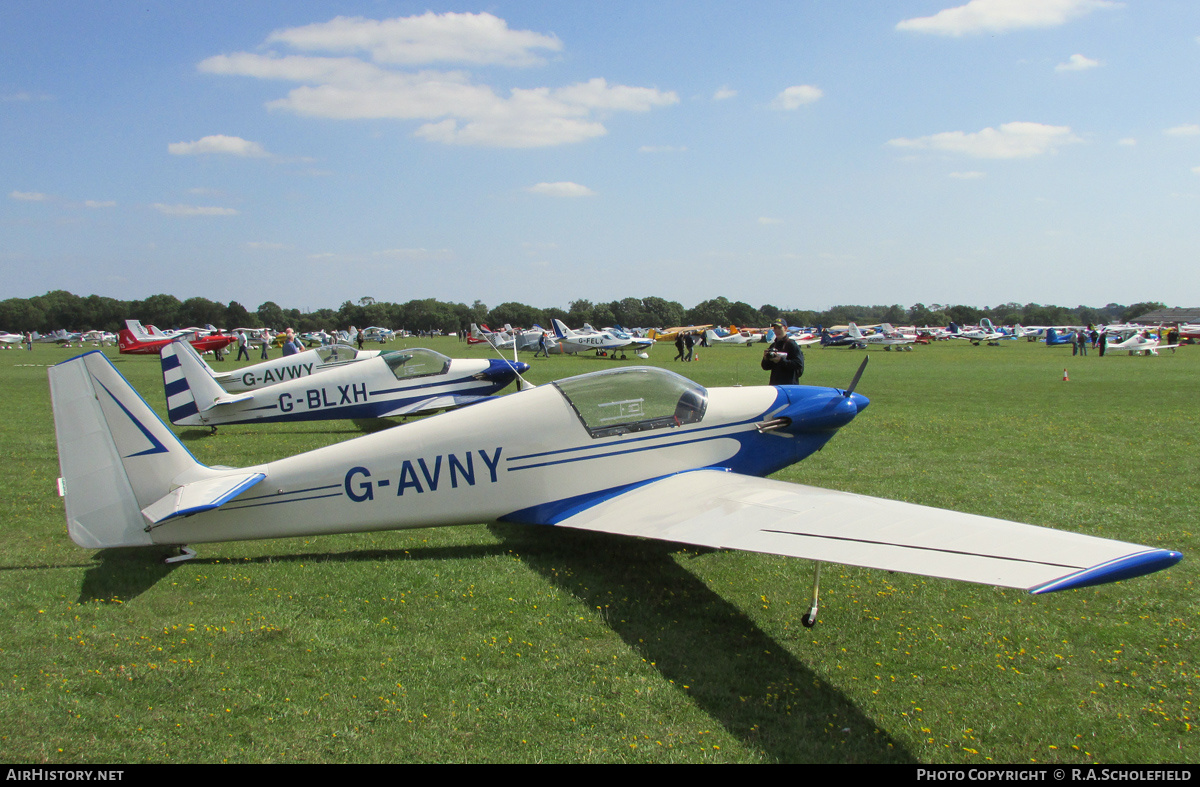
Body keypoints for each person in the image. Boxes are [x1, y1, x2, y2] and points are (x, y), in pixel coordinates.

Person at [761, 321, 804, 385]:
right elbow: (765, 367)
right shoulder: (773, 345)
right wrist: (765, 358)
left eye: (779, 328)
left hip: (789, 384)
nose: (777, 331)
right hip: (775, 384)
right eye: (775, 328)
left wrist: (781, 360)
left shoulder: (792, 345)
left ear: (785, 328)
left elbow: (799, 364)